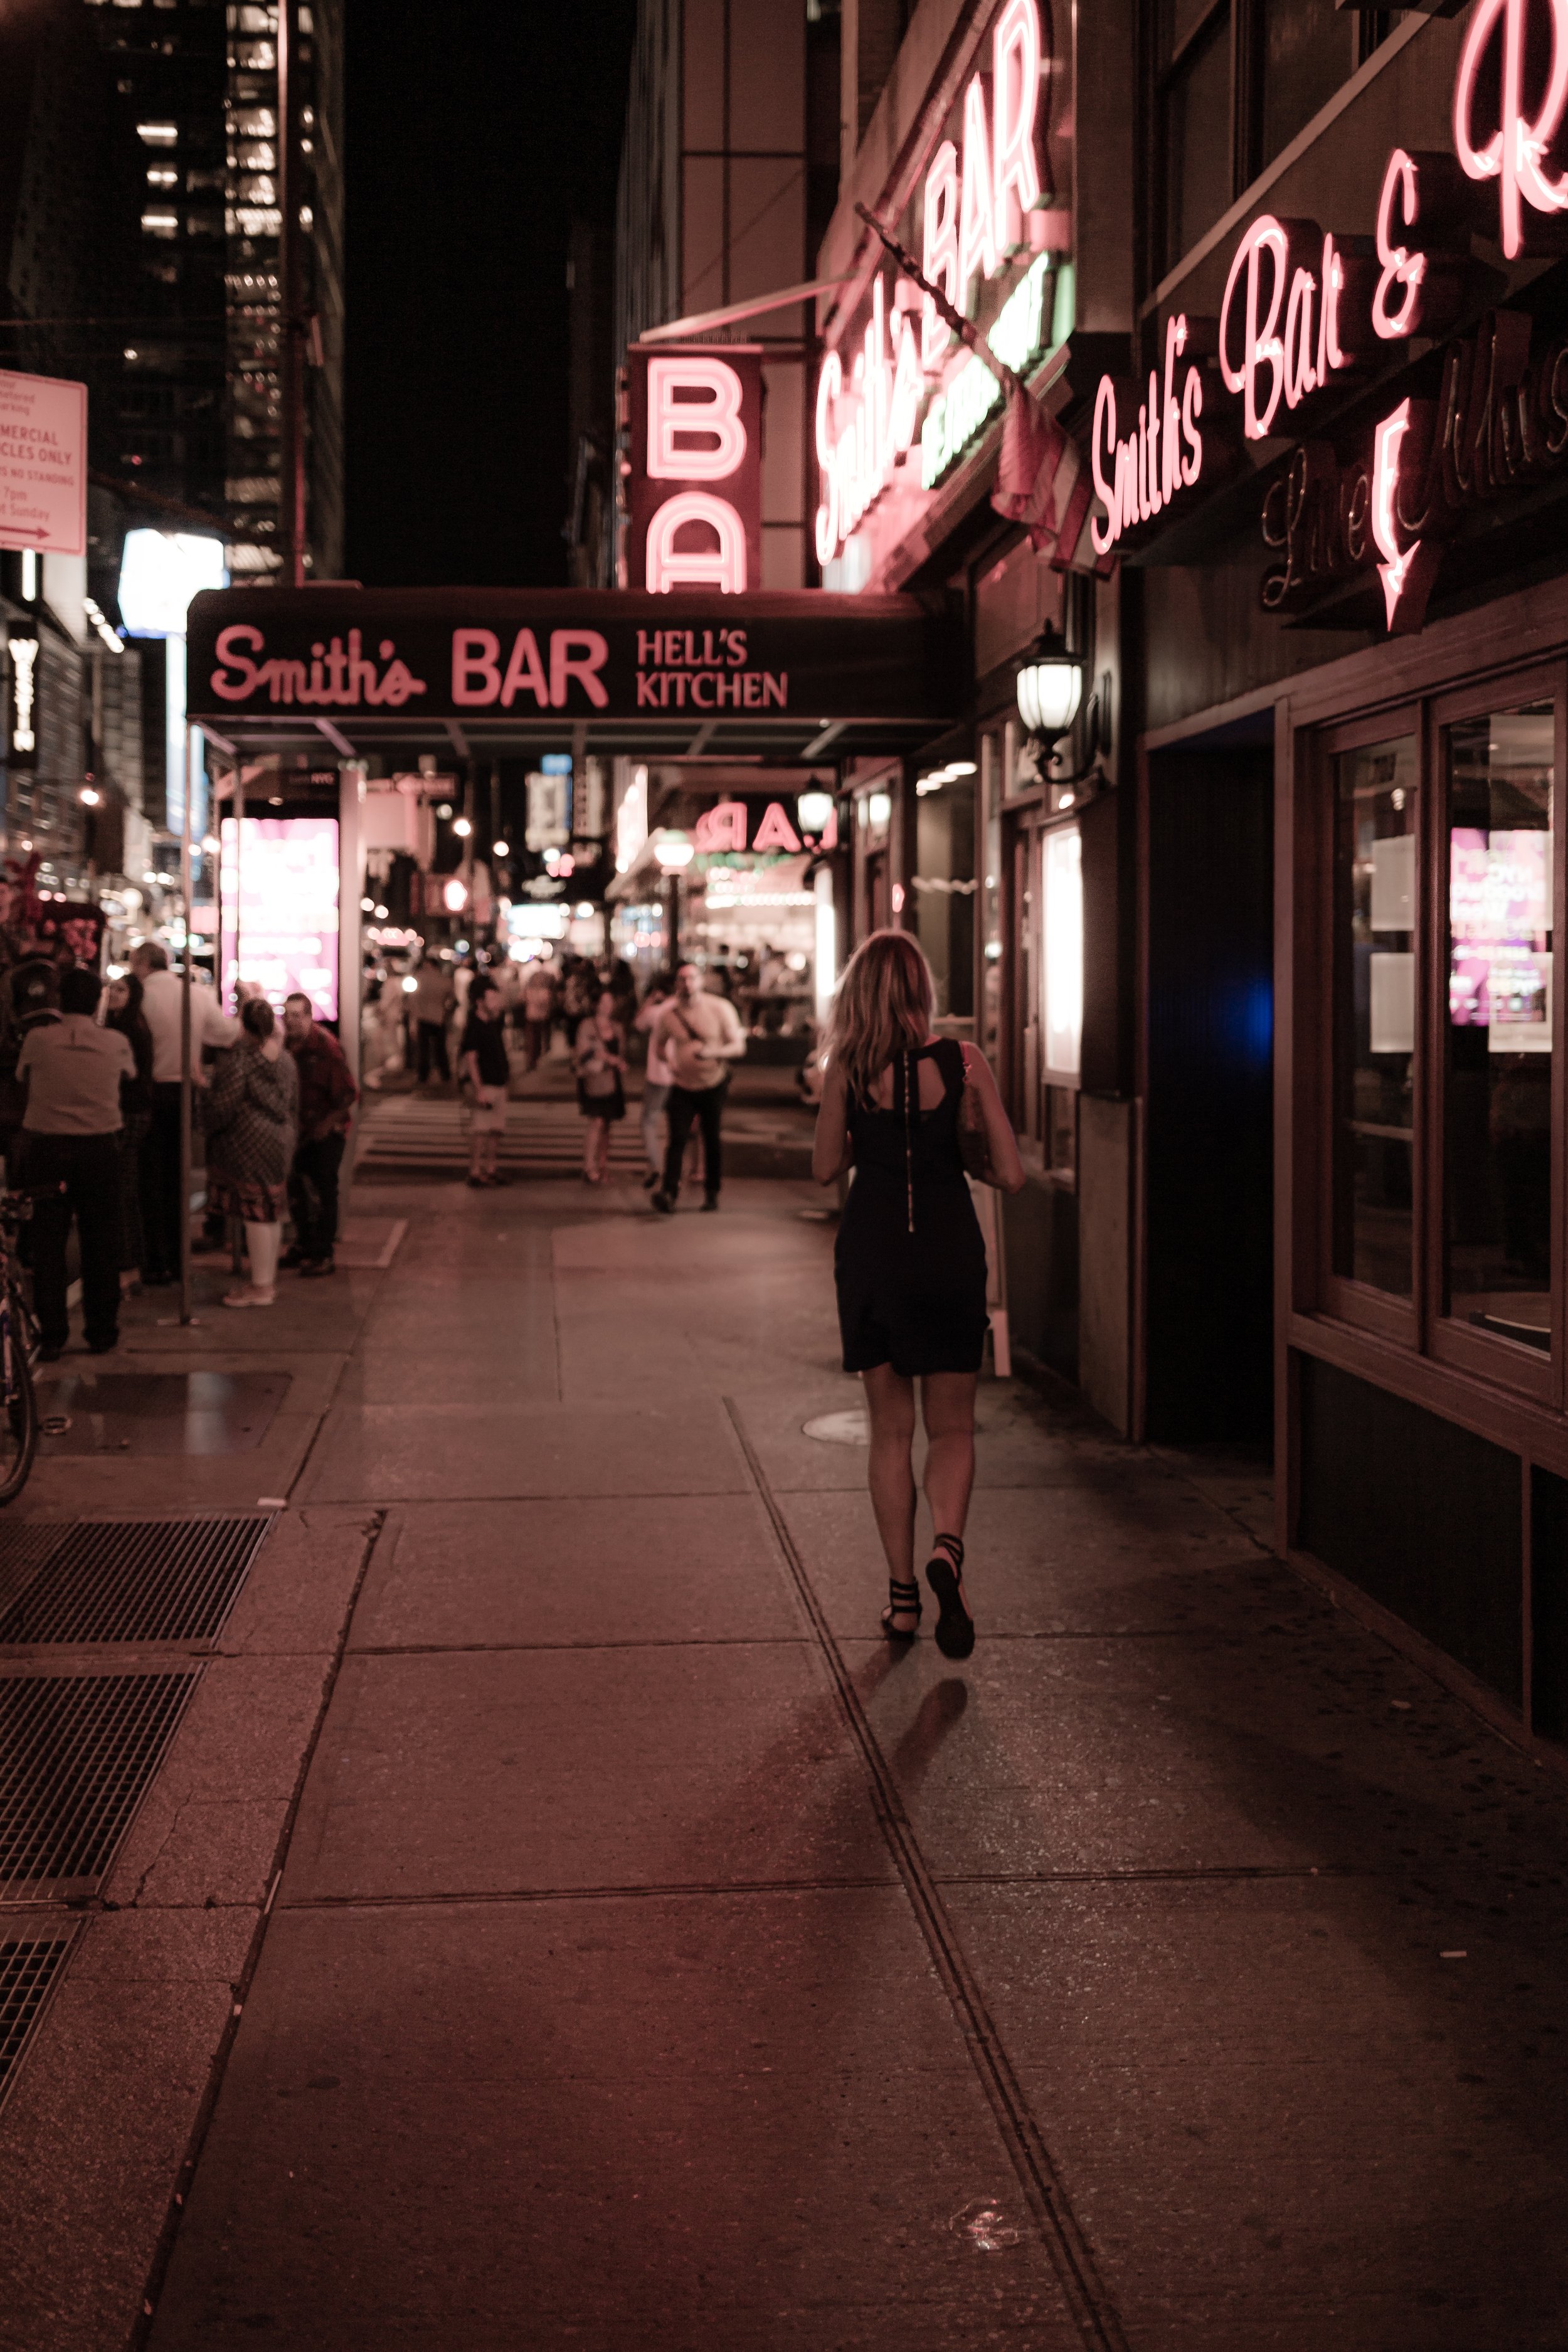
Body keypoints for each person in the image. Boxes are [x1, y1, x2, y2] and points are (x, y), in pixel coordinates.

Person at [811, 930, 1024, 1660]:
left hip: (872, 1256)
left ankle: (902, 1598)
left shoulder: (847, 1066)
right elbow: (1012, 1173)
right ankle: (947, 1549)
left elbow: (821, 1166)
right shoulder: (963, 1061)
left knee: (890, 1433)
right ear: (922, 991)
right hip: (947, 1253)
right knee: (954, 1429)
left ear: (858, 994)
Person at [13, 965, 132, 1359]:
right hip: (100, 1149)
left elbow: (22, 1079)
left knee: (48, 1243)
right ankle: (101, 1330)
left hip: (47, 1151)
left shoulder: (37, 1040)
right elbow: (130, 1077)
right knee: (102, 1241)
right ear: (97, 1000)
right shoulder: (115, 1042)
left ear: (60, 1000)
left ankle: (52, 1334)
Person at [130, 940, 239, 1285]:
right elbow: (227, 1035)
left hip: (147, 1093)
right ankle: (178, 1260)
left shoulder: (138, 997)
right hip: (182, 1093)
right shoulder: (195, 995)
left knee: (148, 1178)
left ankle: (154, 1260)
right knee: (178, 1178)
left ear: (143, 964)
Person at [203, 996, 299, 1308]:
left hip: (246, 1143)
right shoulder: (285, 1059)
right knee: (270, 1212)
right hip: (278, 1141)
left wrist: (203, 1091)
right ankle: (266, 1281)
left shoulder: (240, 1060)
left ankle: (260, 1287)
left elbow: (223, 1107)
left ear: (243, 1025)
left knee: (254, 1215)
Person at [650, 961, 745, 1214]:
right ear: (676, 985)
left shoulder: (719, 1008)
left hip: (714, 1083)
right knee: (677, 1139)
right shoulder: (669, 1015)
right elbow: (660, 1046)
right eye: (682, 979)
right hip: (683, 1085)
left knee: (711, 1137)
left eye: (692, 978)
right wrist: (670, 1062)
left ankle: (712, 1192)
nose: (687, 984)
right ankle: (669, 1192)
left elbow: (738, 1046)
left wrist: (713, 1052)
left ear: (701, 981)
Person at [282, 993, 358, 1276]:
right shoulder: (287, 1046)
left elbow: (347, 1094)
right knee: (298, 1191)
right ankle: (304, 1245)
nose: (291, 1022)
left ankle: (323, 1252)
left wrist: (326, 1127)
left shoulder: (325, 1048)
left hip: (324, 1132)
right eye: (287, 1015)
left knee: (324, 1191)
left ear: (309, 1016)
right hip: (299, 1132)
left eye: (297, 1016)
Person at [105, 972, 156, 1291]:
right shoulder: (131, 1024)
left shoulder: (127, 1029)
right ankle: (131, 1263)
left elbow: (130, 1075)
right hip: (133, 1112)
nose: (113, 993)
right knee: (126, 1187)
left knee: (122, 1188)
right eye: (112, 988)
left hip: (128, 1113)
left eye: (120, 989)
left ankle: (128, 1264)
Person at [458, 978, 510, 1187]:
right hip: (486, 1084)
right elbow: (471, 1059)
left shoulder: (494, 1023)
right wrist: (478, 1089)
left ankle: (491, 1168)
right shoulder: (474, 1027)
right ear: (480, 1002)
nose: (496, 1002)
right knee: (480, 1130)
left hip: (499, 1083)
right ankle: (475, 1171)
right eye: (492, 999)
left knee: (496, 1130)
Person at [574, 988, 627, 1184]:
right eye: (604, 1002)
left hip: (613, 1081)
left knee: (607, 1125)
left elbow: (621, 1053)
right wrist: (610, 1059)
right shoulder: (587, 1026)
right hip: (594, 1079)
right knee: (596, 1122)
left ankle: (603, 1165)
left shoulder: (617, 1027)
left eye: (610, 1002)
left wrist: (616, 1062)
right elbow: (585, 1053)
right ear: (596, 1004)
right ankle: (589, 1166)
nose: (608, 1006)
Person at [634, 971, 676, 1192]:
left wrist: (650, 1000)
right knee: (676, 1126)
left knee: (649, 1121)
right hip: (680, 1075)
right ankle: (674, 1169)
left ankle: (656, 1164)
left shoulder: (656, 1011)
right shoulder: (681, 1009)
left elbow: (639, 1023)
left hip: (659, 1075)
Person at [410, 954, 455, 1083]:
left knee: (424, 1049)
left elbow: (412, 999)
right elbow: (452, 999)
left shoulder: (418, 977)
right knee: (441, 1048)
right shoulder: (444, 979)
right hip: (439, 1016)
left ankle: (423, 1075)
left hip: (423, 1017)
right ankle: (445, 1074)